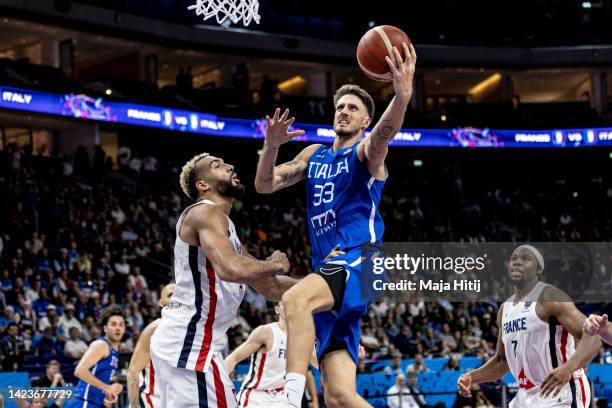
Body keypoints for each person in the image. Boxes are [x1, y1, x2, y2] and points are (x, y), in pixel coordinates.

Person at [255, 42, 417, 408]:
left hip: (362, 258)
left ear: (365, 121)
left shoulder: (365, 154)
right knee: (340, 396)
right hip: (330, 266)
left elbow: (383, 136)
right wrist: (271, 146)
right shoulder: (313, 155)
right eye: (340, 106)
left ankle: (290, 396)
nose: (344, 111)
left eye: (353, 108)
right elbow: (265, 185)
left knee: (294, 297)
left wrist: (402, 97)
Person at [150, 153, 297, 407]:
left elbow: (272, 288)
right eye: (217, 166)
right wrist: (273, 264)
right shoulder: (203, 213)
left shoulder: (227, 232)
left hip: (196, 346)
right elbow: (230, 268)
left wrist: (324, 282)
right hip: (190, 344)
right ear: (202, 185)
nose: (230, 165)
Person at [457, 245, 600, 407]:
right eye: (513, 259)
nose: (517, 262)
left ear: (538, 269)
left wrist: (569, 369)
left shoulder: (549, 296)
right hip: (525, 396)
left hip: (561, 392)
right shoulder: (504, 309)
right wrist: (471, 376)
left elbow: (593, 336)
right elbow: (502, 361)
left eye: (526, 259)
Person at [225, 303, 318, 408]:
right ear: (277, 309)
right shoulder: (266, 332)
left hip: (281, 398)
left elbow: (317, 365)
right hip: (256, 397)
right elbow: (234, 358)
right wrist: (219, 384)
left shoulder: (302, 338)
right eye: (285, 303)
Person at [64, 306, 126, 408]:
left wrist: (106, 395)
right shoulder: (101, 345)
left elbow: (98, 377)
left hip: (94, 403)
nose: (118, 328)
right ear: (105, 328)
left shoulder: (114, 350)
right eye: (113, 324)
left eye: (121, 325)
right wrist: (107, 388)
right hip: (83, 403)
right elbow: (79, 371)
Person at [127, 283, 175, 408]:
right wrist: (134, 405)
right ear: (161, 302)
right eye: (170, 295)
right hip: (152, 400)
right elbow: (133, 371)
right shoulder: (155, 329)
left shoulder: (192, 331)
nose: (176, 298)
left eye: (180, 295)